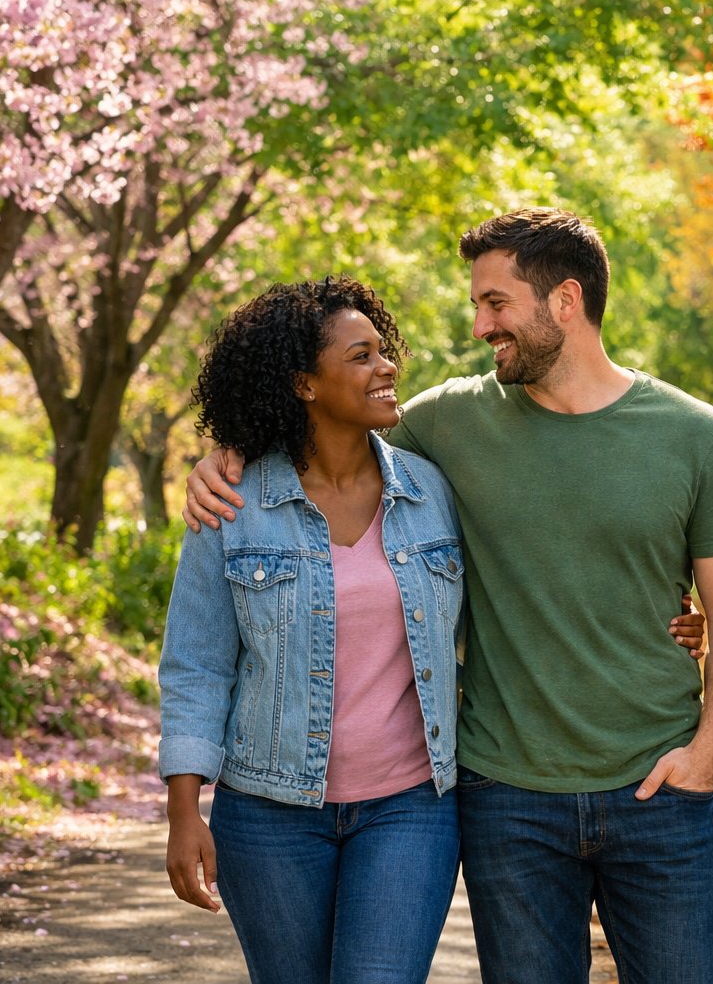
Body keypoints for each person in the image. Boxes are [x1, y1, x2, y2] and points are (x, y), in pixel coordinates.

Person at [182, 208, 713, 983]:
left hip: (657, 787)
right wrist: (229, 452)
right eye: (477, 306)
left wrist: (710, 752)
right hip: (506, 796)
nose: (482, 326)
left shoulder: (693, 434)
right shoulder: (445, 426)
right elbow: (326, 439)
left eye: (496, 304)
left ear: (564, 301)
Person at [158, 276, 464, 984]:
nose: (387, 367)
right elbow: (197, 665)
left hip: (409, 807)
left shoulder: (433, 492)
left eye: (383, 351)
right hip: (268, 816)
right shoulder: (235, 506)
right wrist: (183, 812)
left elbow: (517, 602)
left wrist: (671, 623)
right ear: (303, 383)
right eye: (361, 357)